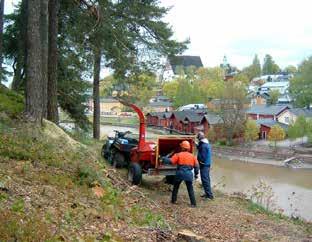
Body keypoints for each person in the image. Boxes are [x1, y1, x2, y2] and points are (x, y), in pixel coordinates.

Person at [162, 140, 199, 207]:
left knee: (176, 187)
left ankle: (174, 201)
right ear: (189, 148)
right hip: (188, 174)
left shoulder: (178, 155)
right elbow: (196, 167)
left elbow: (171, 161)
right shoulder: (192, 156)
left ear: (182, 147)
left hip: (180, 174)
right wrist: (196, 174)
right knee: (190, 189)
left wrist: (163, 158)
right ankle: (193, 204)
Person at [197, 131, 214, 200]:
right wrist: (196, 145)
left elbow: (203, 157)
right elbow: (200, 147)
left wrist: (200, 162)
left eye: (198, 138)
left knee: (205, 179)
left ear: (199, 138)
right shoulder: (205, 143)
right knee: (206, 179)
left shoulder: (204, 146)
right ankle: (206, 193)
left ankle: (209, 196)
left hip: (204, 165)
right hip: (207, 164)